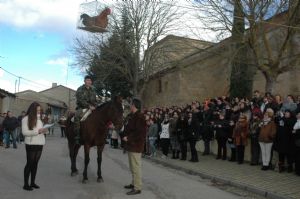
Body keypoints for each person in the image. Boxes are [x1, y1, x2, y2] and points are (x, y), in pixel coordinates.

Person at [22, 102, 48, 191]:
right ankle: (26, 184)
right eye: (37, 110)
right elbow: (24, 132)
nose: (39, 112)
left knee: (35, 164)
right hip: (31, 144)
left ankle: (32, 182)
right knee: (29, 164)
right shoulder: (26, 119)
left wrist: (45, 131)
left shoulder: (40, 119)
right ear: (32, 110)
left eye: (40, 110)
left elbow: (41, 130)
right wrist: (38, 132)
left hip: (40, 143)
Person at [123, 98, 147, 195]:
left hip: (136, 145)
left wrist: (128, 138)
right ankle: (133, 183)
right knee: (132, 166)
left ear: (134, 105)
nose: (130, 106)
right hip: (130, 145)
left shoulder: (140, 116)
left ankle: (137, 188)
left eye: (131, 104)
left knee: (136, 167)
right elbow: (128, 128)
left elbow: (140, 132)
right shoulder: (131, 116)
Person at [74, 75, 97, 144]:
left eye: (90, 80)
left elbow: (95, 100)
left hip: (92, 108)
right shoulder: (80, 89)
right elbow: (80, 100)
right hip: (82, 107)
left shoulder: (93, 89)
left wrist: (96, 105)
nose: (89, 82)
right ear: (84, 81)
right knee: (77, 116)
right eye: (87, 80)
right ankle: (77, 136)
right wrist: (88, 106)